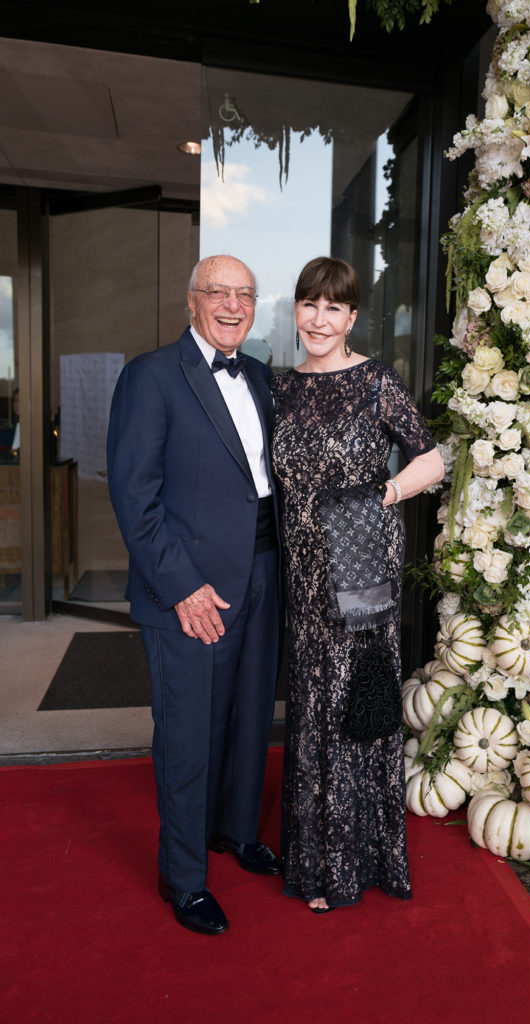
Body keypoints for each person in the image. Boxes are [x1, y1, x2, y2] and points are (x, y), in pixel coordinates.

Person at [107, 255, 282, 936]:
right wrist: (181, 587)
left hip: (263, 573)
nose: (232, 305)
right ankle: (182, 878)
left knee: (249, 717)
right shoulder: (151, 376)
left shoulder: (262, 376)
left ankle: (235, 832)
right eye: (218, 292)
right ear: (192, 301)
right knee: (187, 735)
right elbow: (135, 496)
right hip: (191, 586)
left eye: (245, 294)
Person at [271, 257, 444, 912]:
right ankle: (314, 857)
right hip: (301, 566)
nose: (320, 319)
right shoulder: (280, 389)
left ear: (351, 318)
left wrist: (382, 497)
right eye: (309, 305)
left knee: (352, 702)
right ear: (296, 310)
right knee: (311, 702)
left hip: (359, 558)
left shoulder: (375, 380)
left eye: (334, 308)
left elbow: (431, 458)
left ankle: (353, 861)